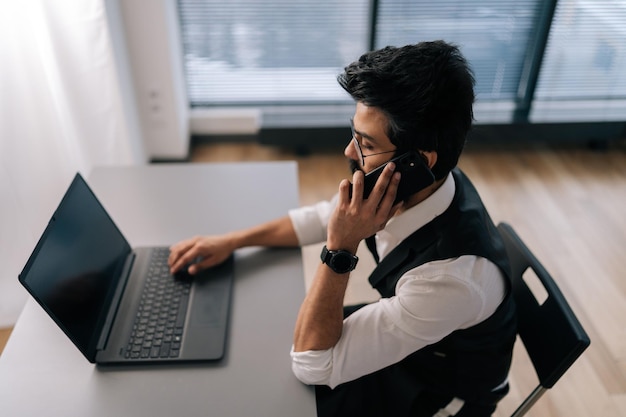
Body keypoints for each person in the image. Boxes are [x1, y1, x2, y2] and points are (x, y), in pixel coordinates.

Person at [168, 40, 516, 417]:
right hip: (416, 339)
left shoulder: (450, 280)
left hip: (434, 391)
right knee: (262, 347)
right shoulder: (423, 182)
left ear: (418, 162)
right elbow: (324, 216)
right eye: (355, 134)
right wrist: (232, 241)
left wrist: (341, 249)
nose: (350, 152)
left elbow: (311, 365)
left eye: (365, 143)